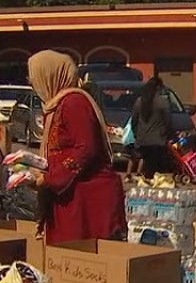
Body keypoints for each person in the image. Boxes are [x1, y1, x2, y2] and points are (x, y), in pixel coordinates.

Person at [25, 50, 125, 243]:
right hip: (71, 195)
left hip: (88, 198)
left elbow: (86, 148)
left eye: (35, 76)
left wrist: (51, 178)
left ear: (50, 75)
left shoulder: (74, 103)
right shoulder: (57, 105)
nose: (32, 82)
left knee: (80, 260)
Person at [131, 75, 174, 179]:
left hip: (143, 139)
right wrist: (167, 134)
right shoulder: (163, 102)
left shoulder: (139, 101)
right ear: (158, 88)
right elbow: (168, 121)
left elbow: (134, 121)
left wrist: (136, 134)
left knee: (147, 166)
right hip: (158, 140)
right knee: (157, 167)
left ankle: (147, 182)